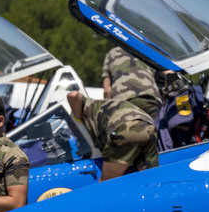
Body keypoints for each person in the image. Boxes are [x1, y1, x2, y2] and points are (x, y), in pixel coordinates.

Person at [66, 45, 161, 179]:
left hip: (125, 121)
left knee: (105, 185)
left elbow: (75, 95)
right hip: (149, 121)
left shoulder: (89, 106)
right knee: (151, 181)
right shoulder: (141, 48)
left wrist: (76, 119)